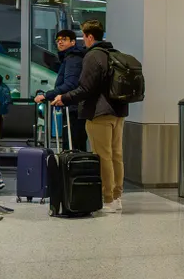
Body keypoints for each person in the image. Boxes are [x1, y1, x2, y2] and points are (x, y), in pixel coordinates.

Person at [54, 20, 128, 214]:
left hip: (99, 113)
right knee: (116, 155)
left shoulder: (93, 56)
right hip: (118, 112)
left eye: (83, 37)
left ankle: (108, 198)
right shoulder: (114, 53)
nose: (84, 41)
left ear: (89, 37)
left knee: (103, 156)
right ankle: (118, 197)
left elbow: (85, 88)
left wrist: (64, 97)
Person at [35, 29, 87, 151]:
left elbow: (70, 84)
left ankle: (73, 169)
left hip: (73, 109)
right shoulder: (70, 57)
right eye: (58, 40)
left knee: (72, 146)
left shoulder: (73, 59)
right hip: (75, 108)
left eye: (64, 39)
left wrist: (47, 96)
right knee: (76, 145)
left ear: (73, 42)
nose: (60, 42)